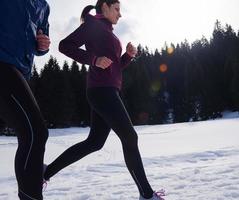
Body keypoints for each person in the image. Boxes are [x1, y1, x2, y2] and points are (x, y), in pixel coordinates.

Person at [43, 0, 165, 199]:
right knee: (130, 137)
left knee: (94, 143)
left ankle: (45, 172)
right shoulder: (92, 26)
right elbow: (65, 45)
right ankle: (146, 194)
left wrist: (127, 56)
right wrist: (93, 59)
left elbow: (113, 67)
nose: (120, 14)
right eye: (117, 9)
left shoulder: (109, 33)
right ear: (105, 7)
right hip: (102, 92)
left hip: (108, 91)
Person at [0, 0, 51, 199]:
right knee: (35, 133)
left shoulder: (44, 6)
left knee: (31, 134)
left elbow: (40, 39)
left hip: (21, 71)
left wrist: (43, 45)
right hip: (2, 64)